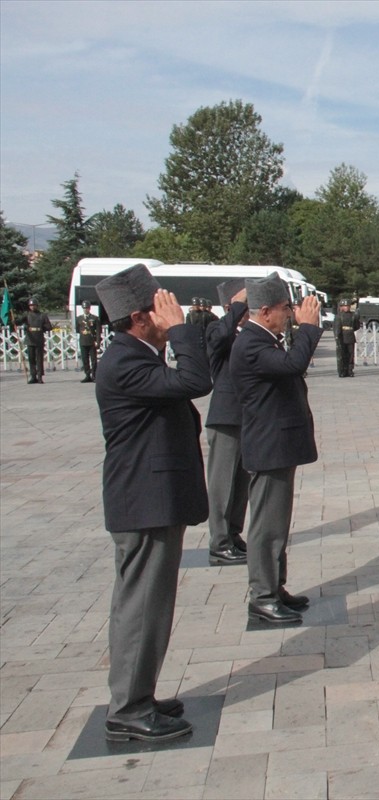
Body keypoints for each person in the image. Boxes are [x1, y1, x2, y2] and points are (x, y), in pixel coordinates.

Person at [94, 264, 210, 742]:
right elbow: (196, 381)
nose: (171, 313)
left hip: (151, 496)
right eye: (162, 309)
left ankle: (139, 692)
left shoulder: (136, 353)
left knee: (149, 604)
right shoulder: (126, 360)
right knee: (143, 606)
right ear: (142, 318)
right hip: (144, 499)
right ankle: (128, 708)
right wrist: (181, 330)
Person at [230, 274, 323, 624]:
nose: (290, 314)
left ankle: (275, 586)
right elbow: (293, 365)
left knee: (277, 524)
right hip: (269, 446)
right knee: (267, 527)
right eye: (286, 309)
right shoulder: (252, 342)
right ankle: (262, 596)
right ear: (265, 311)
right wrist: (310, 328)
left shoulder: (264, 337)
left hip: (277, 445)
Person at [205, 279, 250, 568]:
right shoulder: (215, 329)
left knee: (241, 482)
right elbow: (219, 339)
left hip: (246, 417)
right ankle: (219, 542)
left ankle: (233, 534)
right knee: (222, 483)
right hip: (225, 417)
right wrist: (236, 306)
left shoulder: (246, 333)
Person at [23, 298, 53, 384]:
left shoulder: (42, 315)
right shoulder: (27, 315)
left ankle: (40, 376)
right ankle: (33, 376)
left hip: (39, 339)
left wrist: (41, 328)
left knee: (39, 359)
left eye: (34, 305)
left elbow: (49, 327)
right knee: (31, 359)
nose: (32, 307)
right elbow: (20, 321)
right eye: (31, 305)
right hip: (30, 339)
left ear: (37, 305)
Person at [76, 300, 101, 382]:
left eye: (87, 308)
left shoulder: (94, 318)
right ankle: (87, 375)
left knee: (93, 360)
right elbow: (77, 329)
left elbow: (98, 331)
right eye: (84, 308)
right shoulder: (79, 318)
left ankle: (94, 375)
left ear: (89, 308)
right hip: (83, 341)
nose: (85, 309)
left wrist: (98, 341)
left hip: (91, 341)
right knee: (84, 359)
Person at [333, 299, 359, 377]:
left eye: (347, 306)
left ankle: (350, 370)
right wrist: (337, 337)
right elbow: (336, 328)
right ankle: (342, 370)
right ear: (341, 307)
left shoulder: (353, 315)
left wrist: (350, 330)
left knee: (350, 355)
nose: (346, 307)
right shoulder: (338, 316)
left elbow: (356, 326)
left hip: (350, 336)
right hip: (342, 337)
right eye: (344, 306)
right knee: (342, 354)